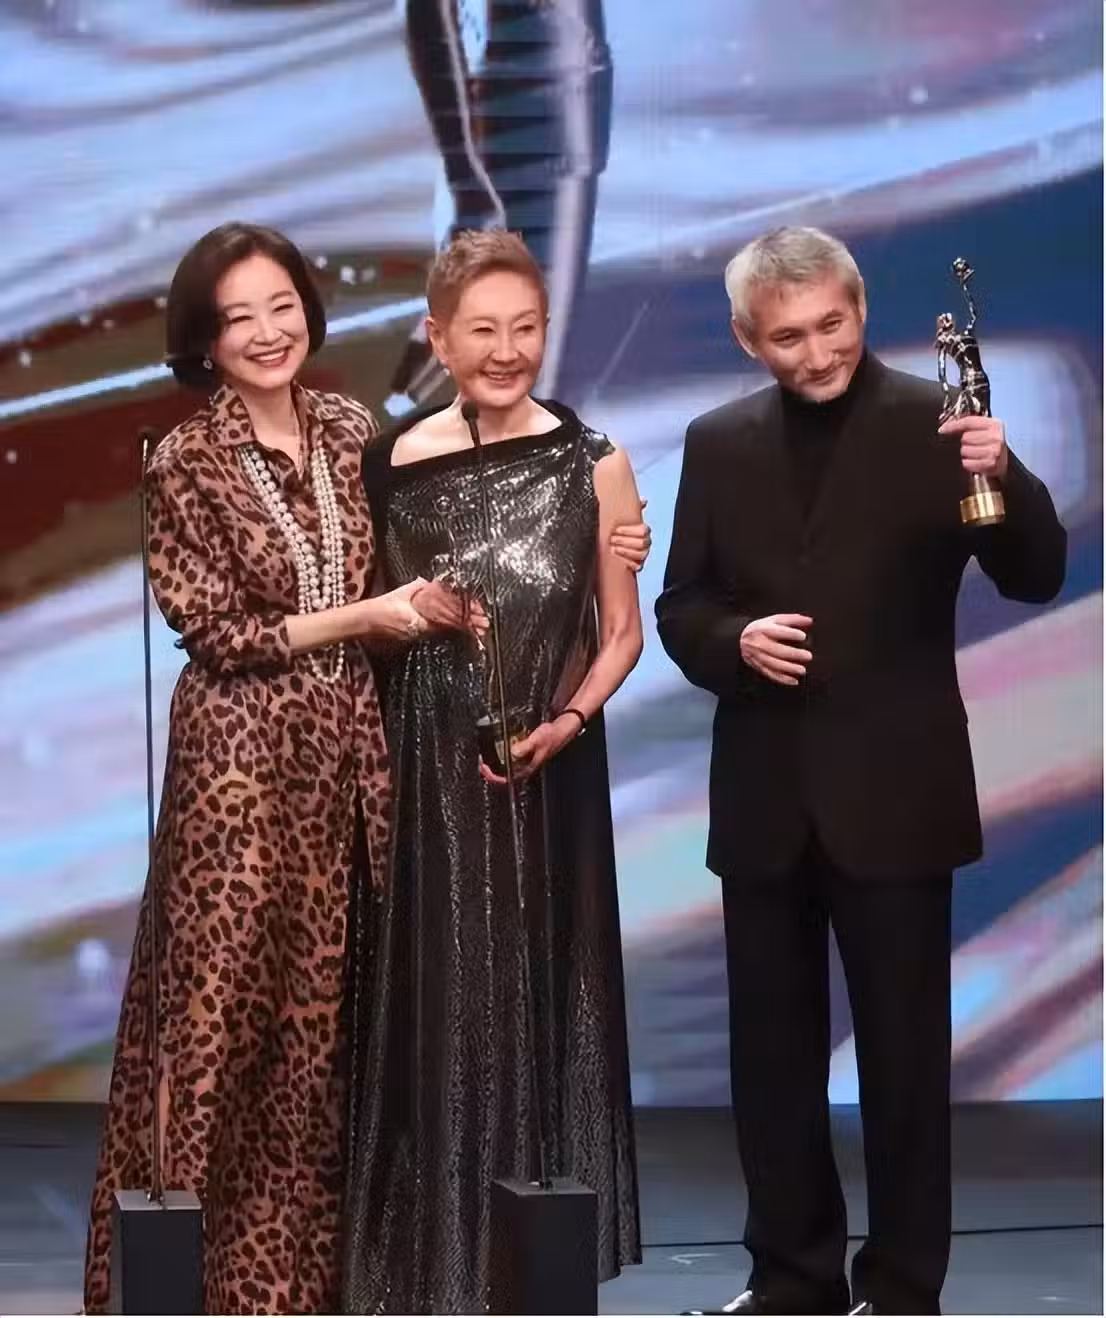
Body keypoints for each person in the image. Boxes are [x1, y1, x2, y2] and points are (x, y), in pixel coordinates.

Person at [83, 221, 650, 1315]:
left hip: (356, 758)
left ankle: (291, 1290)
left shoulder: (353, 433)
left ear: (309, 311)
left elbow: (474, 535)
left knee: (325, 1037)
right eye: (238, 316)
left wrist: (609, 536)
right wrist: (367, 617)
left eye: (281, 306)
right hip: (240, 771)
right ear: (204, 337)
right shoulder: (185, 458)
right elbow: (217, 633)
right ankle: (167, 1291)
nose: (266, 331)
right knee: (211, 1027)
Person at [655, 226, 1066, 1316]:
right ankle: (790, 1281)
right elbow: (681, 606)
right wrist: (734, 642)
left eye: (830, 324)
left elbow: (1035, 575)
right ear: (747, 339)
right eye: (787, 336)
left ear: (860, 306)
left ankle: (901, 1290)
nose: (817, 350)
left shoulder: (940, 425)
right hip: (763, 799)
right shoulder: (716, 441)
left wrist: (1004, 472)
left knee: (903, 1065)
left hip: (898, 793)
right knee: (771, 1064)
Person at [343, 228, 644, 1313]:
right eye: (482, 330)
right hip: (422, 772)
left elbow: (622, 633)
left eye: (525, 328)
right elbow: (365, 625)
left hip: (546, 776)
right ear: (437, 338)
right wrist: (410, 617)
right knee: (433, 1006)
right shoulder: (388, 463)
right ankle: (426, 1267)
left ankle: (521, 1271)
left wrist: (567, 720)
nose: (506, 350)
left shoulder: (595, 460)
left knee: (532, 997)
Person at [384, 0, 612, 414]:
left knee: (536, 392)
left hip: (566, 99)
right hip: (508, 118)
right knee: (518, 388)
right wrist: (463, 172)